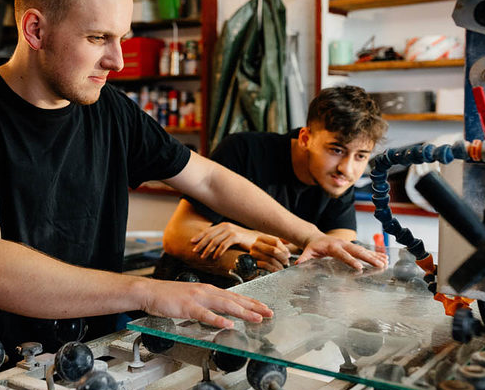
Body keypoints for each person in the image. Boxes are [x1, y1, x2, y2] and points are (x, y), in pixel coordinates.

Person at [0, 0, 386, 369]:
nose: (117, 60)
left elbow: (206, 177)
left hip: (81, 358)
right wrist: (148, 292)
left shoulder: (110, 110)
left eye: (122, 39)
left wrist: (310, 234)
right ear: (35, 30)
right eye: (98, 37)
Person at [158, 86, 387, 286]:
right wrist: (276, 246)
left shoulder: (338, 179)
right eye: (336, 150)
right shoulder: (244, 151)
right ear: (306, 138)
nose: (347, 169)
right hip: (186, 296)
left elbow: (340, 244)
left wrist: (250, 237)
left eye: (360, 156)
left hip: (258, 304)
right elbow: (176, 236)